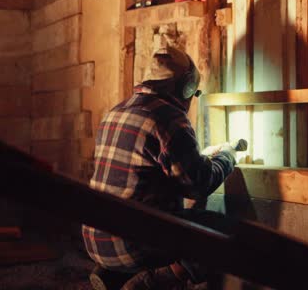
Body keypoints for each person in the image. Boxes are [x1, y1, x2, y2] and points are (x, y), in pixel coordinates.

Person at [82, 45, 237, 290]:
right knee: (223, 230)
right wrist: (228, 156)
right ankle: (153, 281)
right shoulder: (170, 119)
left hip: (96, 240)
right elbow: (199, 186)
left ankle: (113, 276)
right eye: (194, 93)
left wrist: (200, 157)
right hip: (132, 246)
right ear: (187, 88)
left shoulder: (115, 112)